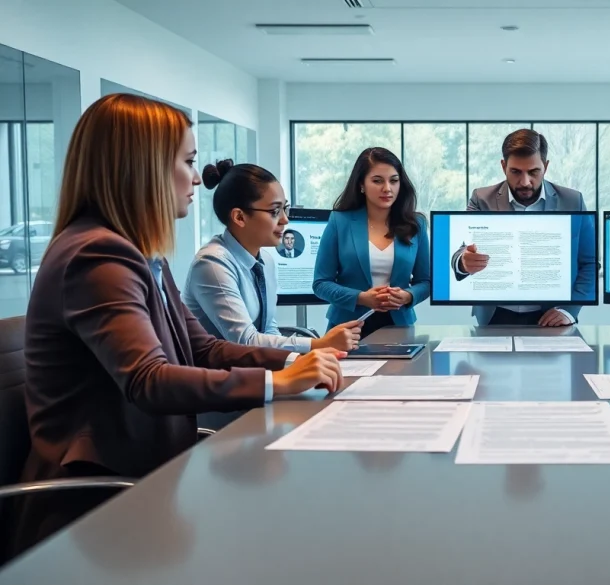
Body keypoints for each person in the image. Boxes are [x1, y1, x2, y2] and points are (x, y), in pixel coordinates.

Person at [9, 94, 345, 558]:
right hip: (96, 507)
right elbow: (150, 380)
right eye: (187, 162)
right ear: (141, 167)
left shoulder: (141, 253)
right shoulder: (95, 256)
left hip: (148, 477)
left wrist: (297, 359)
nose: (196, 179)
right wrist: (278, 382)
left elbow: (201, 347)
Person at [183, 159, 360, 352]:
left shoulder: (265, 261)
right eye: (275, 211)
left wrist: (299, 361)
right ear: (239, 217)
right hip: (218, 378)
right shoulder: (212, 263)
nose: (285, 219)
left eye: (285, 208)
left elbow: (268, 329)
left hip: (253, 373)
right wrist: (317, 345)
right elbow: (245, 341)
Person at [451, 128, 598, 326]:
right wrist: (464, 261)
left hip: (552, 316)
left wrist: (570, 310)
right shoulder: (481, 199)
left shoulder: (572, 201)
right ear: (503, 167)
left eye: (533, 172)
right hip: (494, 315)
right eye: (516, 172)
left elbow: (589, 262)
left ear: (545, 166)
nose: (525, 182)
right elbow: (459, 251)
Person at [313, 147, 430, 339]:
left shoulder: (416, 224)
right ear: (361, 184)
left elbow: (425, 281)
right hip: (347, 327)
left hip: (399, 325)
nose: (387, 188)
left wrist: (408, 296)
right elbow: (320, 283)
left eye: (394, 180)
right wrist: (361, 298)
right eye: (377, 181)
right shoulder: (339, 221)